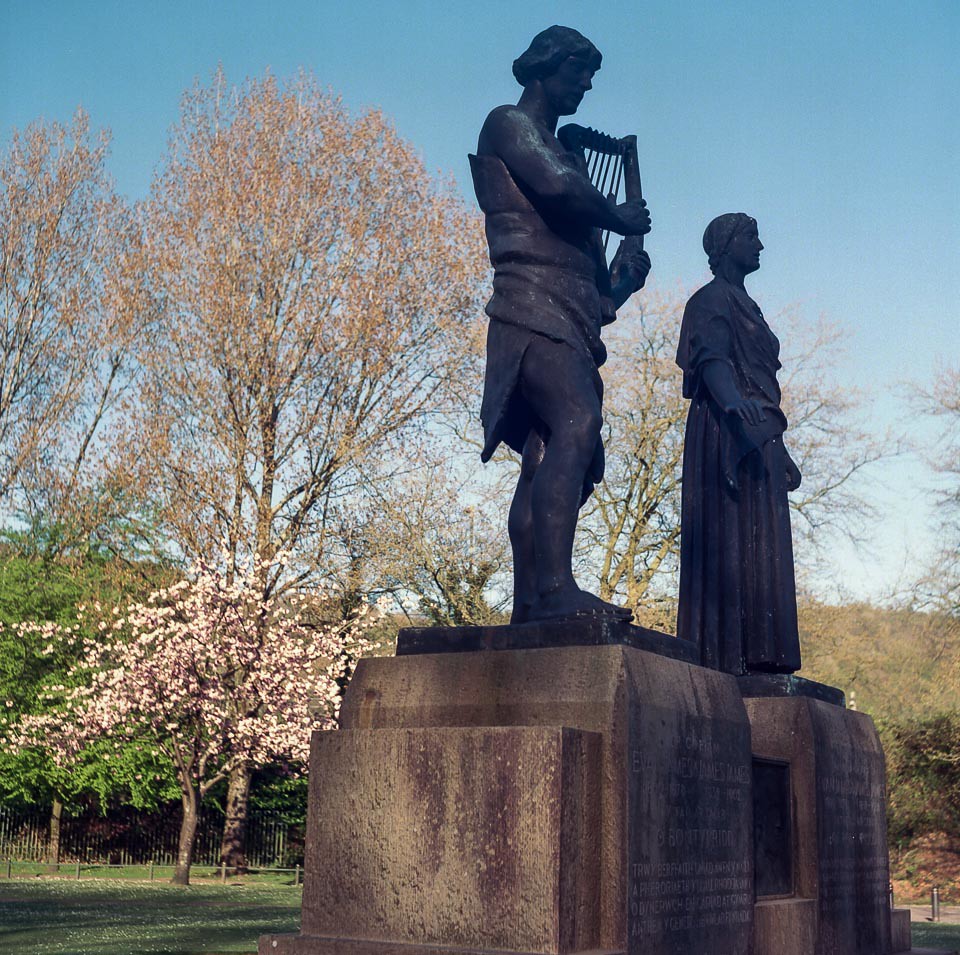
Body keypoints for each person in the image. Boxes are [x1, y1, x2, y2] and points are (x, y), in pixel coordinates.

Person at [470, 25, 651, 623]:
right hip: (530, 306)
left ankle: (530, 603)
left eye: (591, 75)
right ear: (546, 66)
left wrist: (624, 279)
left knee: (544, 451)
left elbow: (602, 298)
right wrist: (620, 217)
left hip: (569, 314)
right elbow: (559, 186)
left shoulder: (568, 162)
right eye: (579, 71)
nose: (587, 84)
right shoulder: (508, 124)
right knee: (578, 420)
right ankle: (554, 589)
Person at [675, 213, 802, 673]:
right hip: (725, 429)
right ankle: (725, 656)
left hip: (759, 433)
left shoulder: (751, 307)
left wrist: (778, 447)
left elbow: (762, 381)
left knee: (764, 545)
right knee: (728, 537)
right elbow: (711, 359)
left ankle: (764, 656)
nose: (760, 245)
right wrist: (732, 404)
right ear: (726, 245)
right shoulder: (708, 300)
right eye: (752, 237)